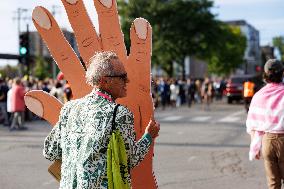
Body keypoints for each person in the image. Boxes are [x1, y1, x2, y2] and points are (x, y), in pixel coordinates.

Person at [43, 51, 160, 189]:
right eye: (122, 77)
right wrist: (148, 136)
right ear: (105, 81)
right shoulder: (119, 113)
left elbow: (49, 151)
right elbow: (129, 159)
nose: (127, 81)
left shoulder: (70, 108)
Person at [246, 59, 284, 189]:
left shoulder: (259, 95)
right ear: (282, 73)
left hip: (267, 142)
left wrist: (254, 145)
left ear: (265, 74)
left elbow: (252, 123)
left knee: (273, 184)